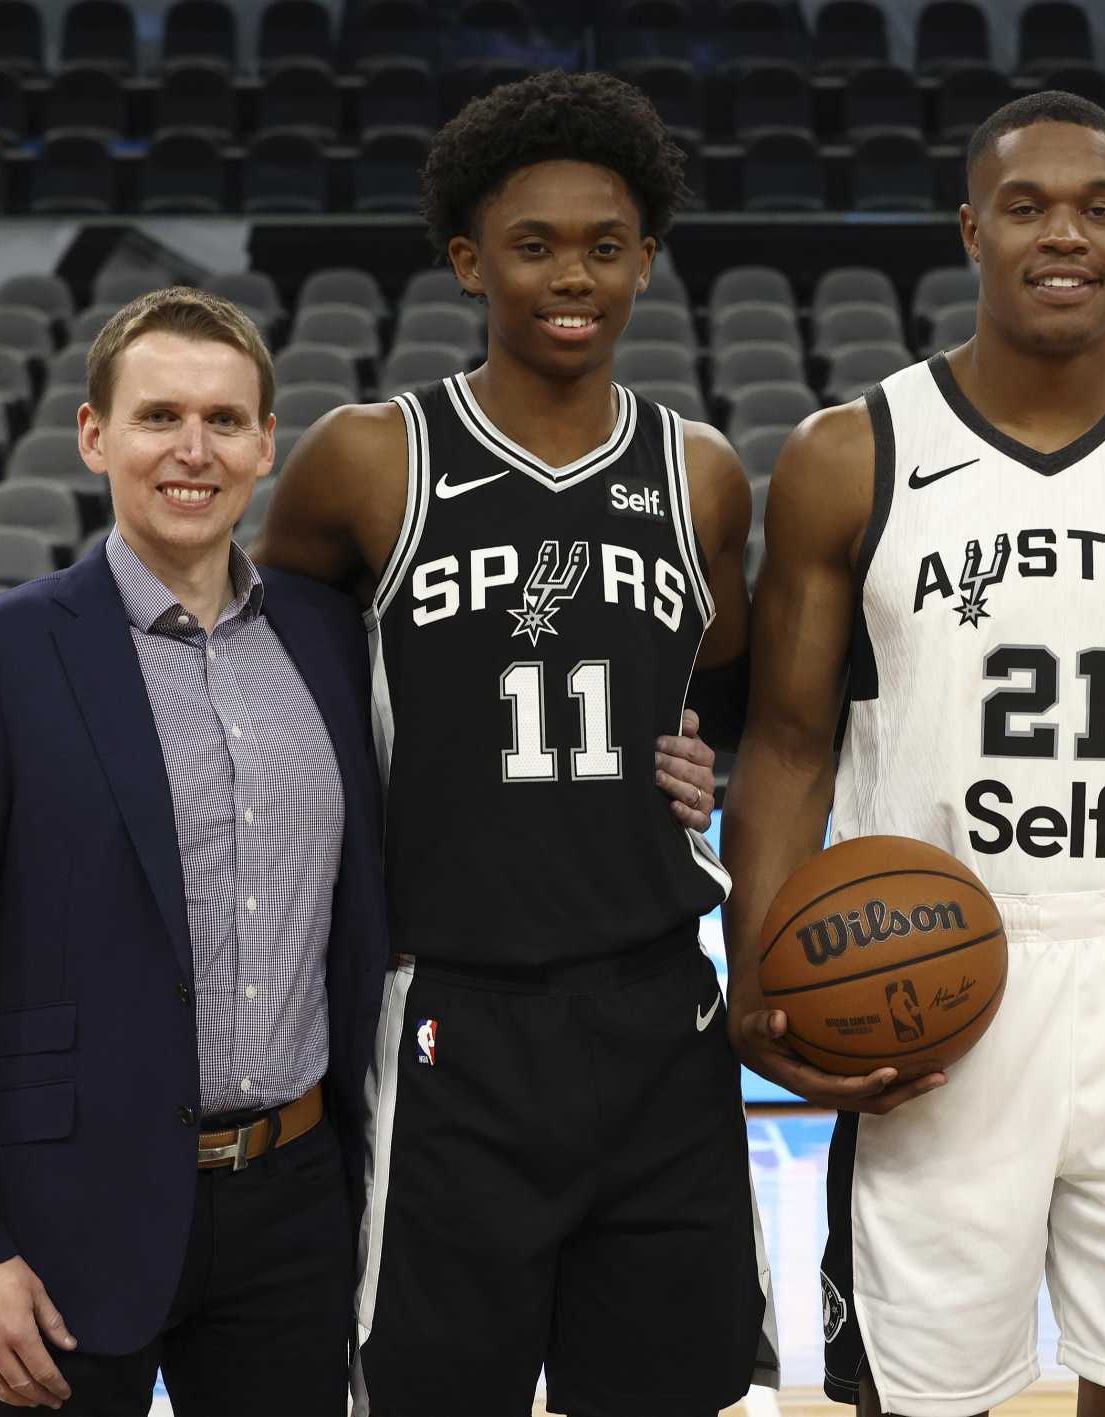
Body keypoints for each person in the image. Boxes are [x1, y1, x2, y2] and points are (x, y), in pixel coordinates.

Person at [720, 92, 1105, 1417]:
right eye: (1027, 206)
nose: (1064, 235)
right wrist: (758, 975)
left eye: (1097, 207)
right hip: (932, 958)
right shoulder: (849, 455)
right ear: (971, 228)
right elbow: (789, 744)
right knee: (920, 1394)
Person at [248, 71, 772, 1415]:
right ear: (469, 261)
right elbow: (233, 655)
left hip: (661, 1008)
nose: (571, 275)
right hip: (449, 1014)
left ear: (647, 260)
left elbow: (725, 680)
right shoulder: (370, 460)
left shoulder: (698, 471)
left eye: (605, 244)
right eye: (532, 245)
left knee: (671, 1391)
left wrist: (696, 756)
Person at [0, 288, 388, 1415]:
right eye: (158, 417)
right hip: (59, 1218)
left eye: (224, 420)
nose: (192, 451)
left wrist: (673, 762)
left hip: (293, 1205)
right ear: (97, 436)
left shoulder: (333, 640)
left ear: (264, 446)